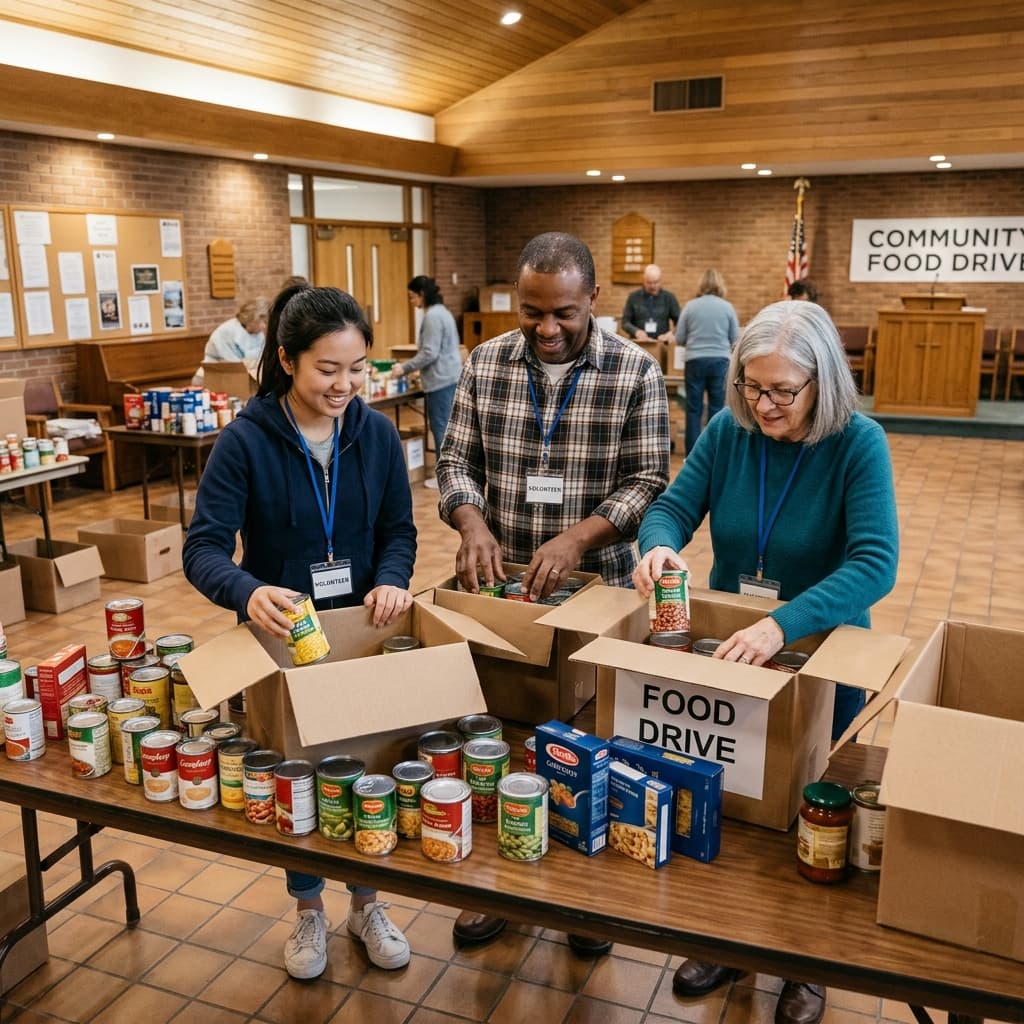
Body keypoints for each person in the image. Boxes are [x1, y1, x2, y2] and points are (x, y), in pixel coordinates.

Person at [632, 299, 898, 1024]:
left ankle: (802, 965)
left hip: (818, 657)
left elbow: (876, 565)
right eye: (753, 385)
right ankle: (729, 939)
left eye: (784, 390)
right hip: (736, 655)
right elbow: (673, 509)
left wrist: (783, 626)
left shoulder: (858, 444)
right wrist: (657, 544)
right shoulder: (728, 431)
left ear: (824, 383)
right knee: (734, 809)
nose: (765, 403)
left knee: (809, 818)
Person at [437, 231, 670, 953]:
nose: (545, 329)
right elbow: (456, 459)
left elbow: (648, 479)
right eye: (531, 312)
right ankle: (501, 887)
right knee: (505, 743)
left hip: (599, 597)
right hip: (504, 597)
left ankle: (584, 907)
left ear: (593, 299)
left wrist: (577, 539)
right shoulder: (485, 363)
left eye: (563, 313)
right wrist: (470, 520)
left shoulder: (636, 372)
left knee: (595, 750)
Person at [182, 284, 417, 981]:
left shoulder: (374, 435)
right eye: (327, 369)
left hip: (362, 631)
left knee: (367, 766)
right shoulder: (246, 441)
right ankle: (308, 910)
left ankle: (367, 903)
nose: (344, 385)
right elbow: (203, 549)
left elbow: (397, 531)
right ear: (287, 359)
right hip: (282, 639)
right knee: (299, 774)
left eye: (357, 368)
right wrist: (248, 591)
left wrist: (393, 576)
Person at [391, 275, 462, 490]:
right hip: (449, 377)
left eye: (412, 297)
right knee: (447, 428)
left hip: (440, 380)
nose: (412, 302)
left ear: (422, 294)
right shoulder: (444, 312)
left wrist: (404, 368)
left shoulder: (432, 316)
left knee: (440, 429)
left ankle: (444, 479)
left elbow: (429, 352)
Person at [675, 268, 740, 454]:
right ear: (720, 284)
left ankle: (693, 455)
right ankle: (714, 452)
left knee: (693, 409)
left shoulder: (690, 306)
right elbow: (735, 339)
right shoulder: (727, 307)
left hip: (695, 361)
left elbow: (679, 338)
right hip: (720, 362)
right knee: (717, 408)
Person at [191, 297, 269, 385]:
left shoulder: (259, 335)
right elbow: (233, 364)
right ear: (253, 318)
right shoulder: (225, 331)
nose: (264, 327)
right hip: (211, 378)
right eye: (264, 322)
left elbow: (259, 360)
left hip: (240, 380)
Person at [620, 263, 680, 344]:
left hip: (661, 345)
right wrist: (636, 332)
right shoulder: (633, 297)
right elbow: (625, 322)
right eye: (649, 282)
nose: (652, 286)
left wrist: (671, 333)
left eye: (656, 282)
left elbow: (680, 322)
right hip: (639, 345)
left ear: (660, 280)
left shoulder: (669, 297)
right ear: (643, 280)